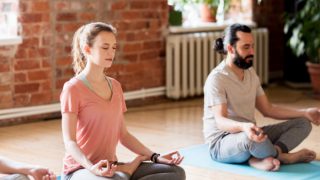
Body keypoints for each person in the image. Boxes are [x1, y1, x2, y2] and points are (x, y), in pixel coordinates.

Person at [60, 22, 185, 180]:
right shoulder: (73, 88)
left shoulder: (116, 86)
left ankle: (125, 172)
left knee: (175, 173)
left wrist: (154, 156)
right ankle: (127, 171)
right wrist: (92, 168)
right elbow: (69, 141)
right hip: (80, 169)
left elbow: (123, 135)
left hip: (110, 167)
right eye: (105, 47)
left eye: (114, 47)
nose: (111, 52)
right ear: (87, 49)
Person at [203, 23, 320, 171]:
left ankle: (263, 156)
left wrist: (305, 112)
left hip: (253, 133)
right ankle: (283, 157)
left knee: (303, 123)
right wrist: (243, 127)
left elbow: (268, 109)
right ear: (230, 49)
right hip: (222, 142)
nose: (252, 51)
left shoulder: (250, 72)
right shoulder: (217, 78)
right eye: (246, 47)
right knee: (250, 139)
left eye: (252, 46)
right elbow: (220, 121)